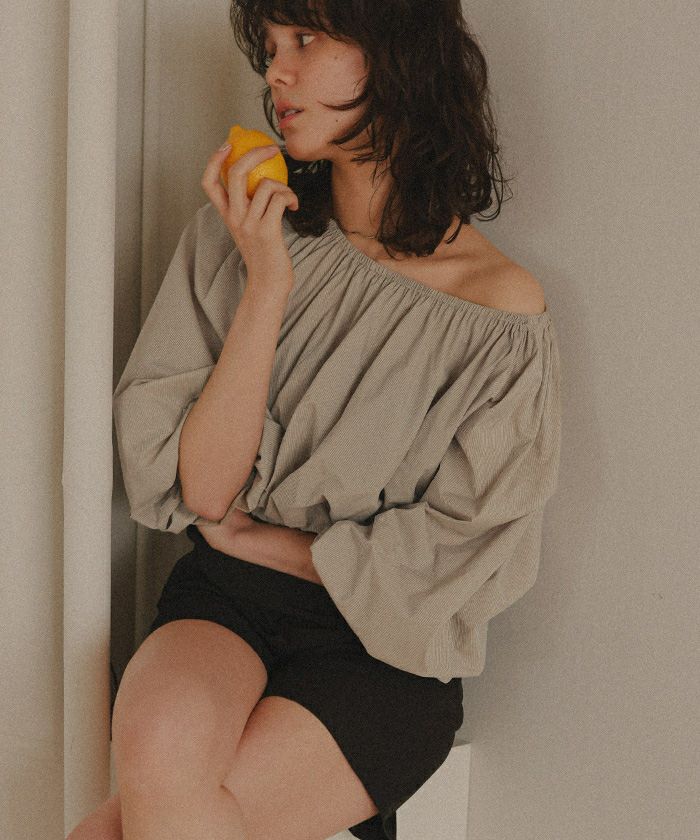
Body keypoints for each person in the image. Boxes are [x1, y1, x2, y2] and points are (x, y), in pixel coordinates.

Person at [69, 2, 562, 839]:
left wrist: (266, 541)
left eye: (304, 40)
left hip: (385, 653)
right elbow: (205, 490)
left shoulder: (499, 313)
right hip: (225, 599)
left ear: (397, 53)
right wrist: (268, 282)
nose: (276, 72)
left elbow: (463, 547)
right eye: (270, 48)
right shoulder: (242, 236)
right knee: (158, 743)